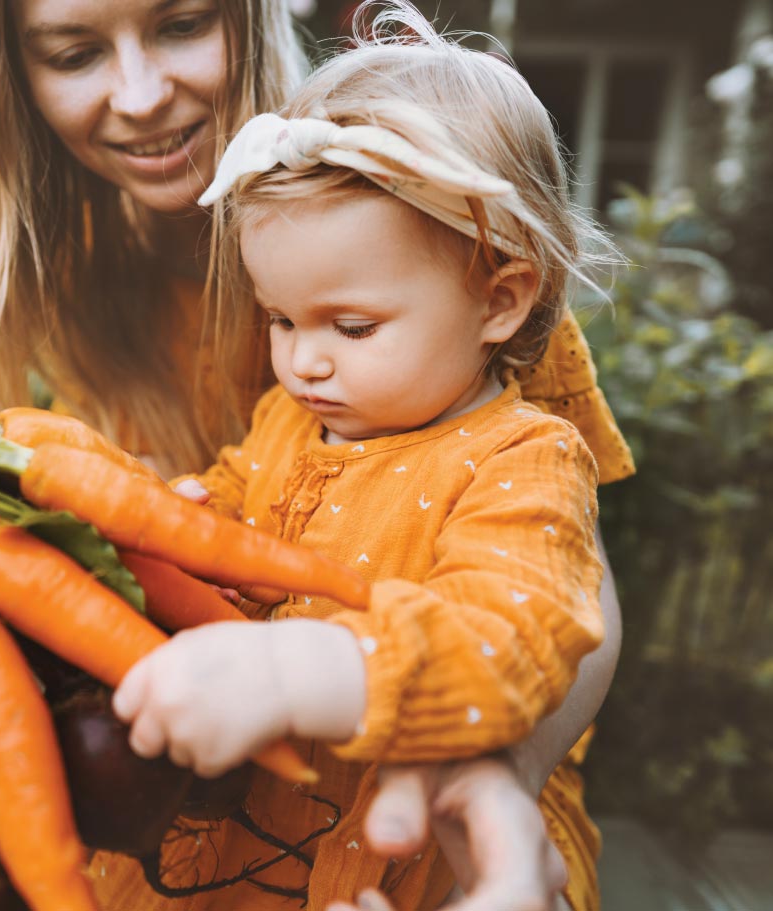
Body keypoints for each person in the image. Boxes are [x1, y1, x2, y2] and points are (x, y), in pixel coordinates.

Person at [0, 1, 633, 908]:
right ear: (20, 81)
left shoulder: (436, 213)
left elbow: (549, 605)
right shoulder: (266, 400)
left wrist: (345, 693)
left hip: (419, 861)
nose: (143, 94)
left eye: (182, 23)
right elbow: (186, 536)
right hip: (206, 847)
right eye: (76, 52)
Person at [94, 6, 613, 905]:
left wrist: (304, 669)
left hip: (387, 863)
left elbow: (516, 638)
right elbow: (222, 500)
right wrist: (167, 520)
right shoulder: (289, 419)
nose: (304, 358)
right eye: (281, 319)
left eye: (354, 325)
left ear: (500, 299)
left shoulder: (525, 459)